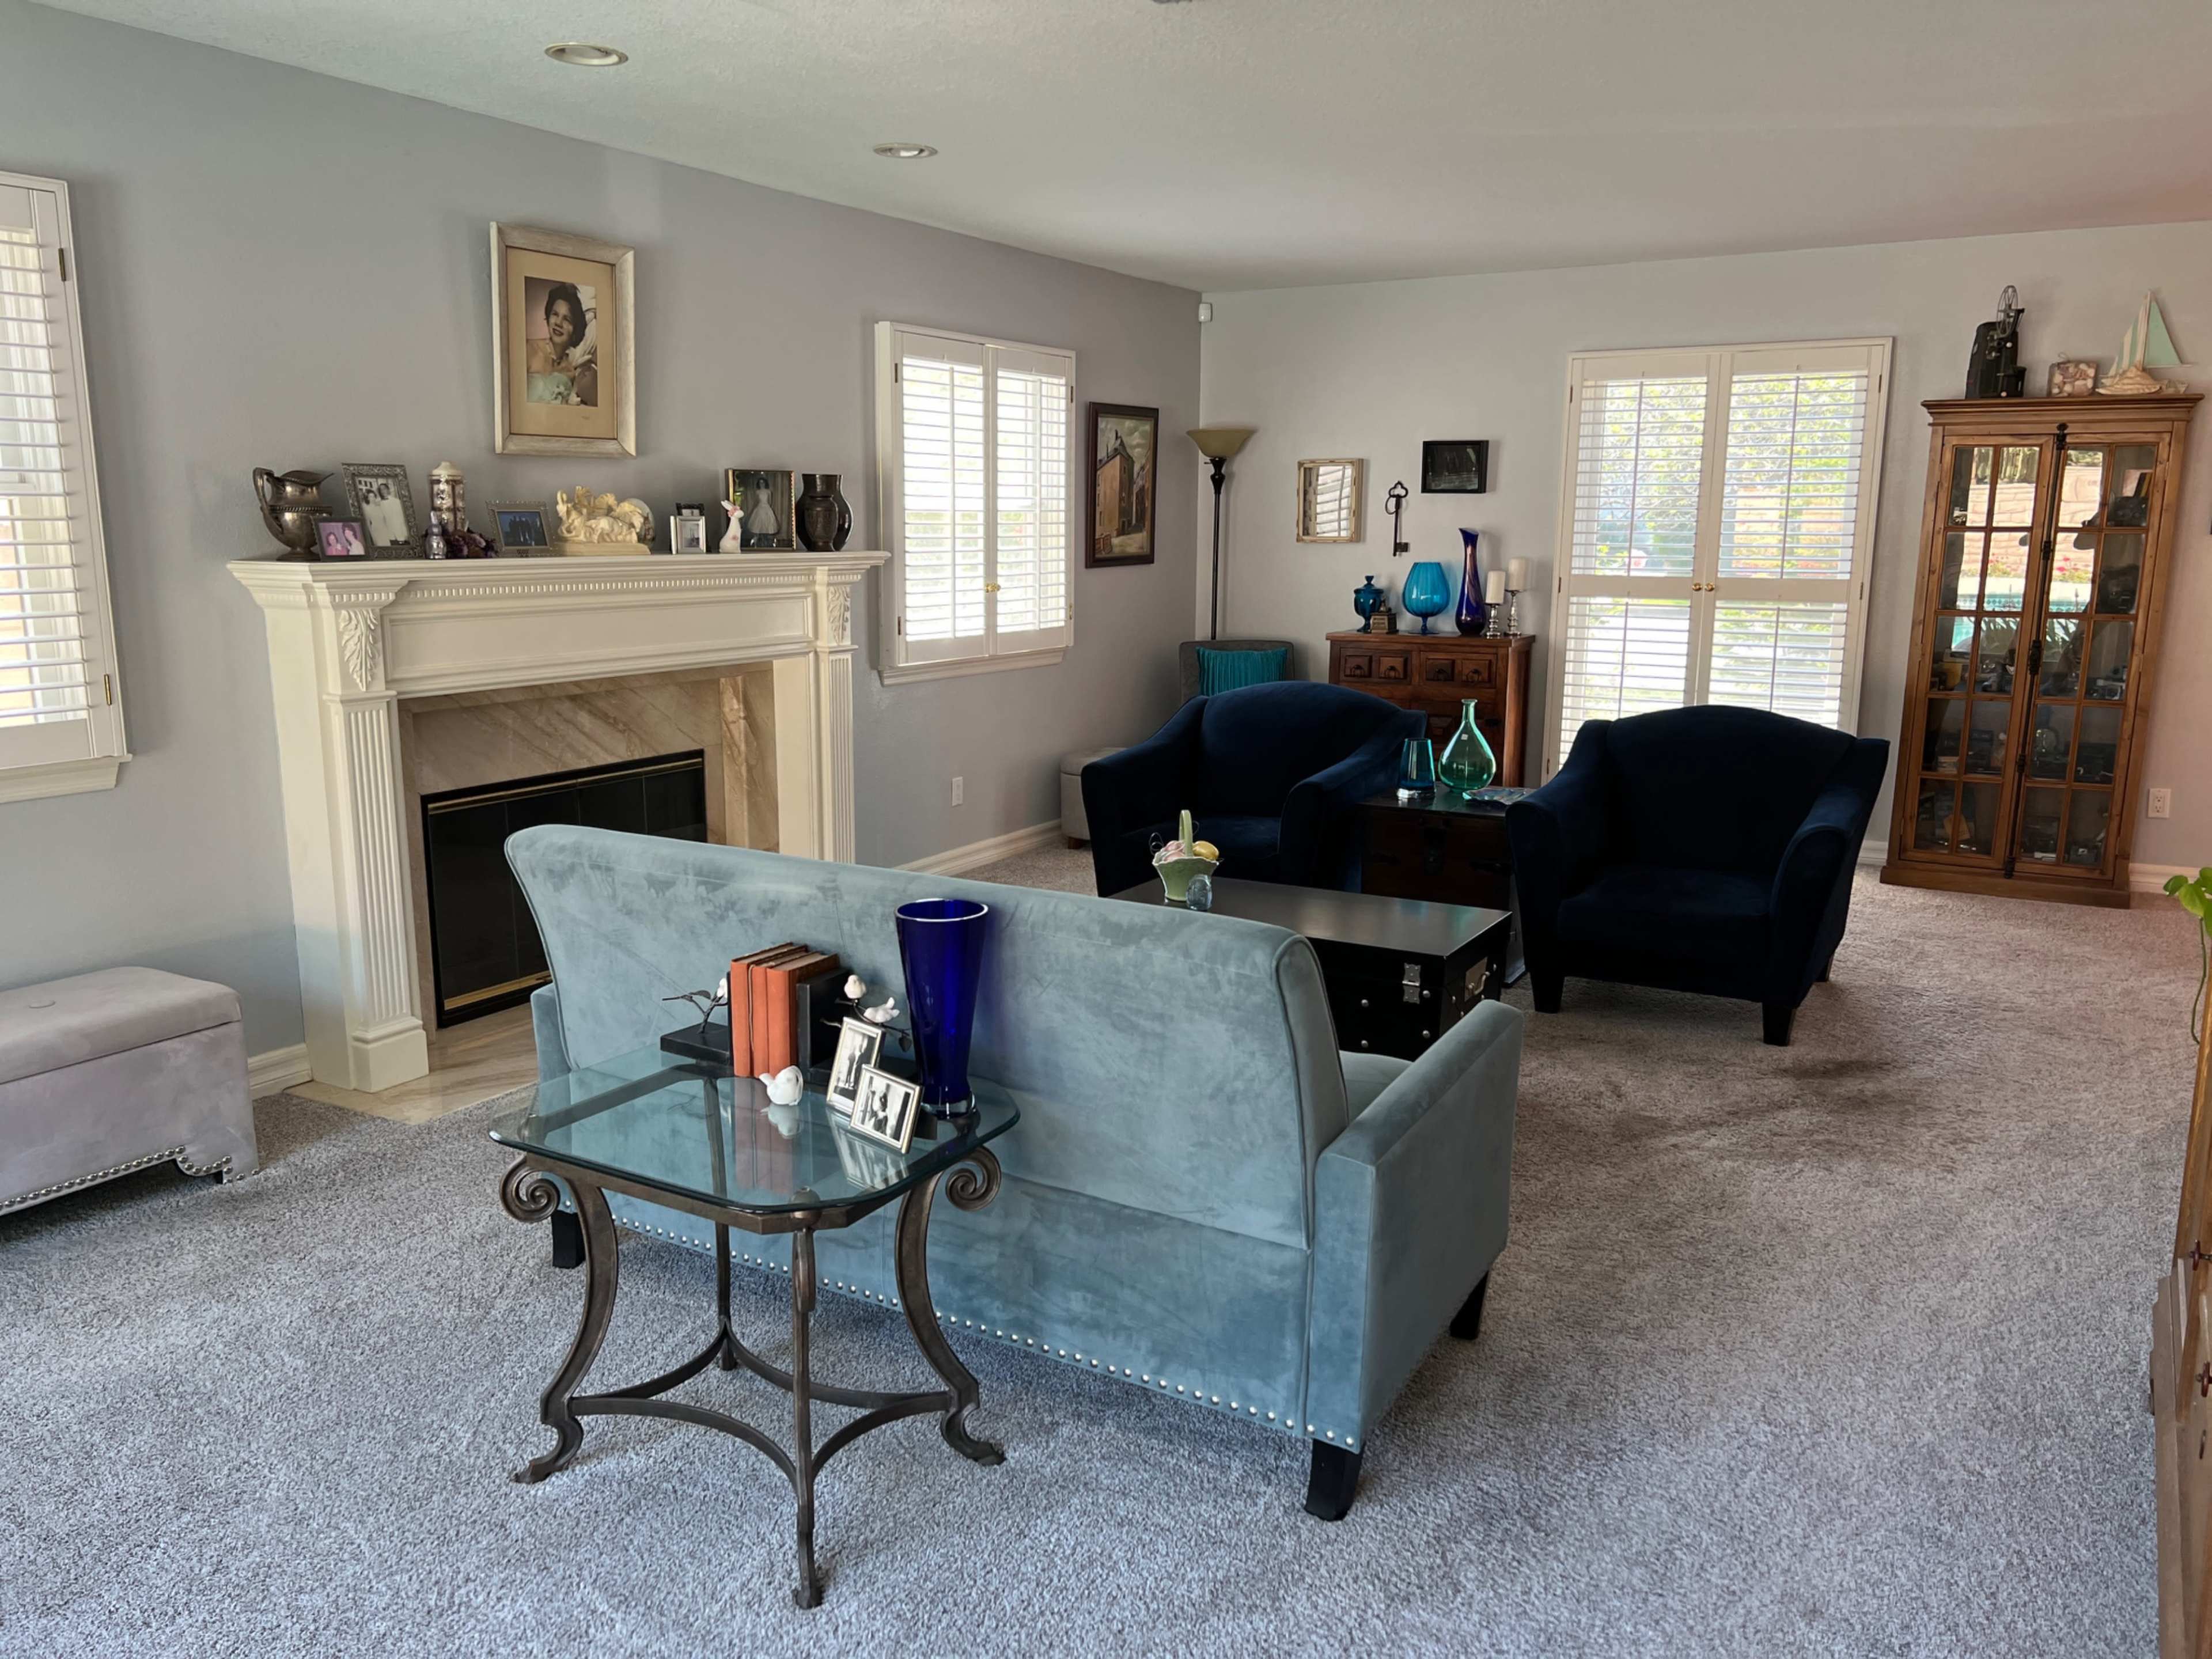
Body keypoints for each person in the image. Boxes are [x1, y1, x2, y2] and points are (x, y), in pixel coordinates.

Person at [525, 281, 597, 407]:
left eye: (567, 319)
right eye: (555, 314)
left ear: (575, 330)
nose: (559, 323)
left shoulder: (570, 372)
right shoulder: (529, 350)